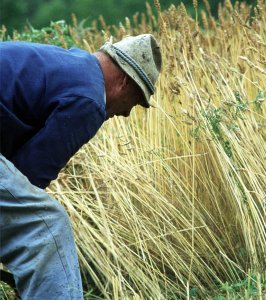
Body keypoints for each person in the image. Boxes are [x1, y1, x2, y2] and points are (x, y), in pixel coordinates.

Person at [0, 34, 162, 299]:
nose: (126, 114)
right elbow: (30, 176)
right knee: (47, 225)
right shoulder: (89, 99)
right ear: (124, 82)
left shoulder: (72, 65)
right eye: (135, 101)